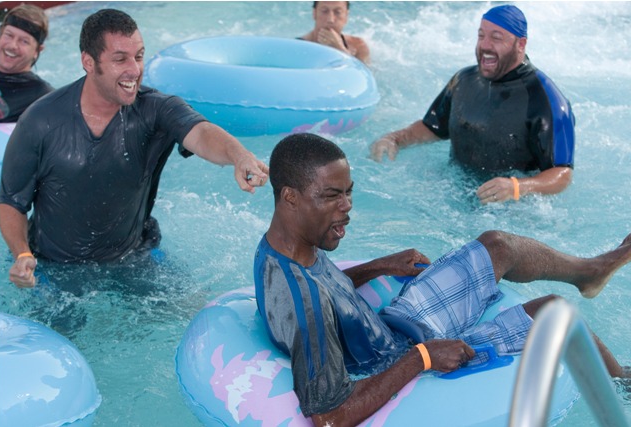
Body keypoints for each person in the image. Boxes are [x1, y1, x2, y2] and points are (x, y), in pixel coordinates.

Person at [254, 132, 630, 426]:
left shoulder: (281, 248)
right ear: (289, 197)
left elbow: (325, 285)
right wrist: (423, 357)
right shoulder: (305, 305)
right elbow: (328, 418)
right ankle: (624, 386)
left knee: (497, 245)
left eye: (348, 193)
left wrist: (379, 266)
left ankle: (589, 272)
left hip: (395, 326)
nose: (347, 207)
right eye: (332, 196)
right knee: (554, 315)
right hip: (395, 359)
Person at [0, 9, 269, 289]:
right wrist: (22, 253)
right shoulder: (42, 119)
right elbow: (11, 201)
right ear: (88, 62)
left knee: (192, 312)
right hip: (55, 267)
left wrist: (239, 155)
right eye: (120, 59)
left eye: (138, 56)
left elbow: (201, 133)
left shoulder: (156, 109)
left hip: (131, 257)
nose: (135, 70)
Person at [370, 5, 575, 204]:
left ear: (520, 44)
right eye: (481, 36)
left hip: (513, 209)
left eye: (496, 38)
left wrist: (517, 187)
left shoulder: (547, 100)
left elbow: (562, 173)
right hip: (455, 190)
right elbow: (433, 128)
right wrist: (395, 139)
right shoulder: (464, 80)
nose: (485, 46)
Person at [0, 4, 54, 123]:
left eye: (24, 41)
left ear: (37, 51)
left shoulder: (44, 98)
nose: (12, 46)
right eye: (9, 35)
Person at [299, 1, 370, 64]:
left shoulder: (358, 46)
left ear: (346, 16)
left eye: (337, 12)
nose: (330, 19)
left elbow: (363, 75)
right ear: (314, 14)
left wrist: (340, 48)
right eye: (324, 11)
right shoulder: (299, 48)